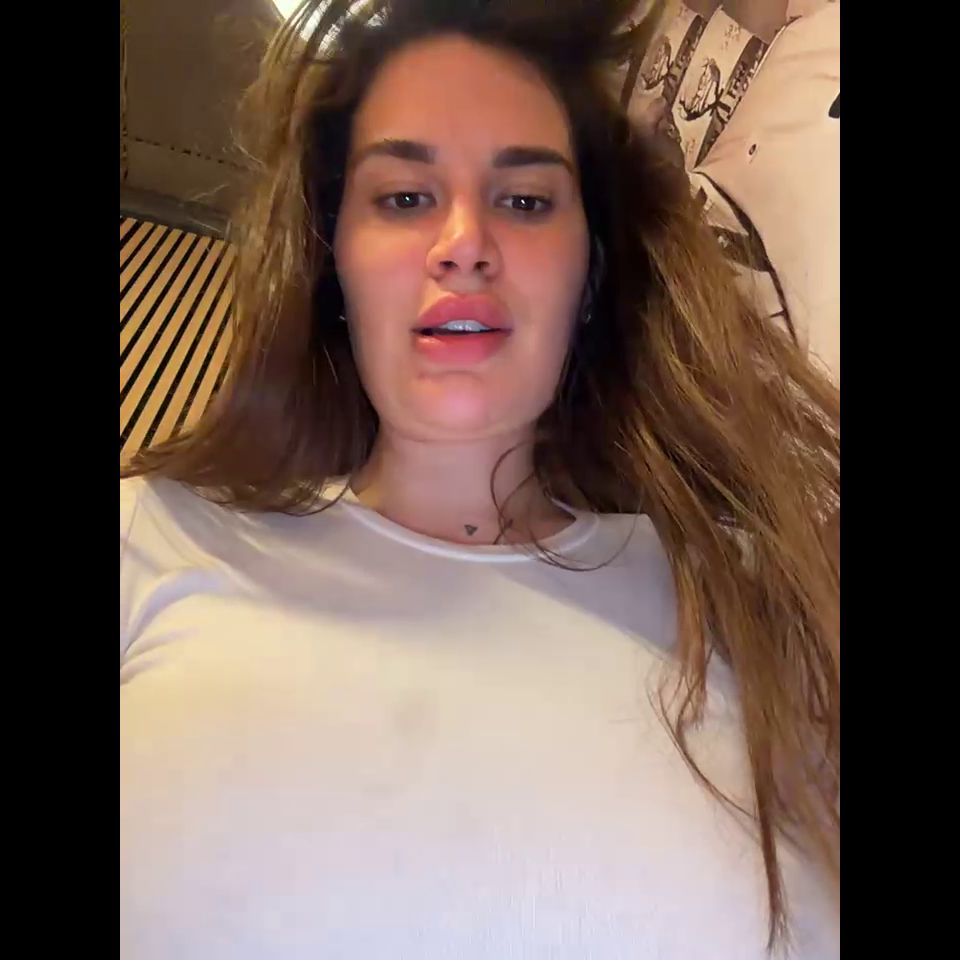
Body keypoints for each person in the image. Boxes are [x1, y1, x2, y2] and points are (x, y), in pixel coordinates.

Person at [120, 1, 839, 957]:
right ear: (334, 263)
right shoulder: (149, 539)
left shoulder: (755, 602)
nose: (463, 242)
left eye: (526, 200)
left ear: (589, 276)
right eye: (404, 198)